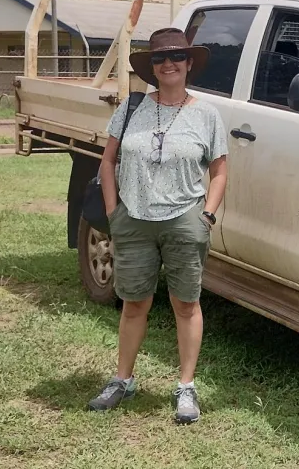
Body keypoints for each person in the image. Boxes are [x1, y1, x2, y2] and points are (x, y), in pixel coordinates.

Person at [87, 27, 229, 424]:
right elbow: (107, 161)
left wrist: (208, 215)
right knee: (134, 303)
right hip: (133, 218)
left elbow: (219, 170)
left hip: (184, 218)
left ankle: (186, 387)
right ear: (152, 67)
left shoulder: (207, 114)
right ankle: (122, 380)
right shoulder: (133, 107)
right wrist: (115, 212)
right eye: (159, 58)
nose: (168, 64)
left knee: (186, 303)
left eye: (176, 57)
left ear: (188, 64)